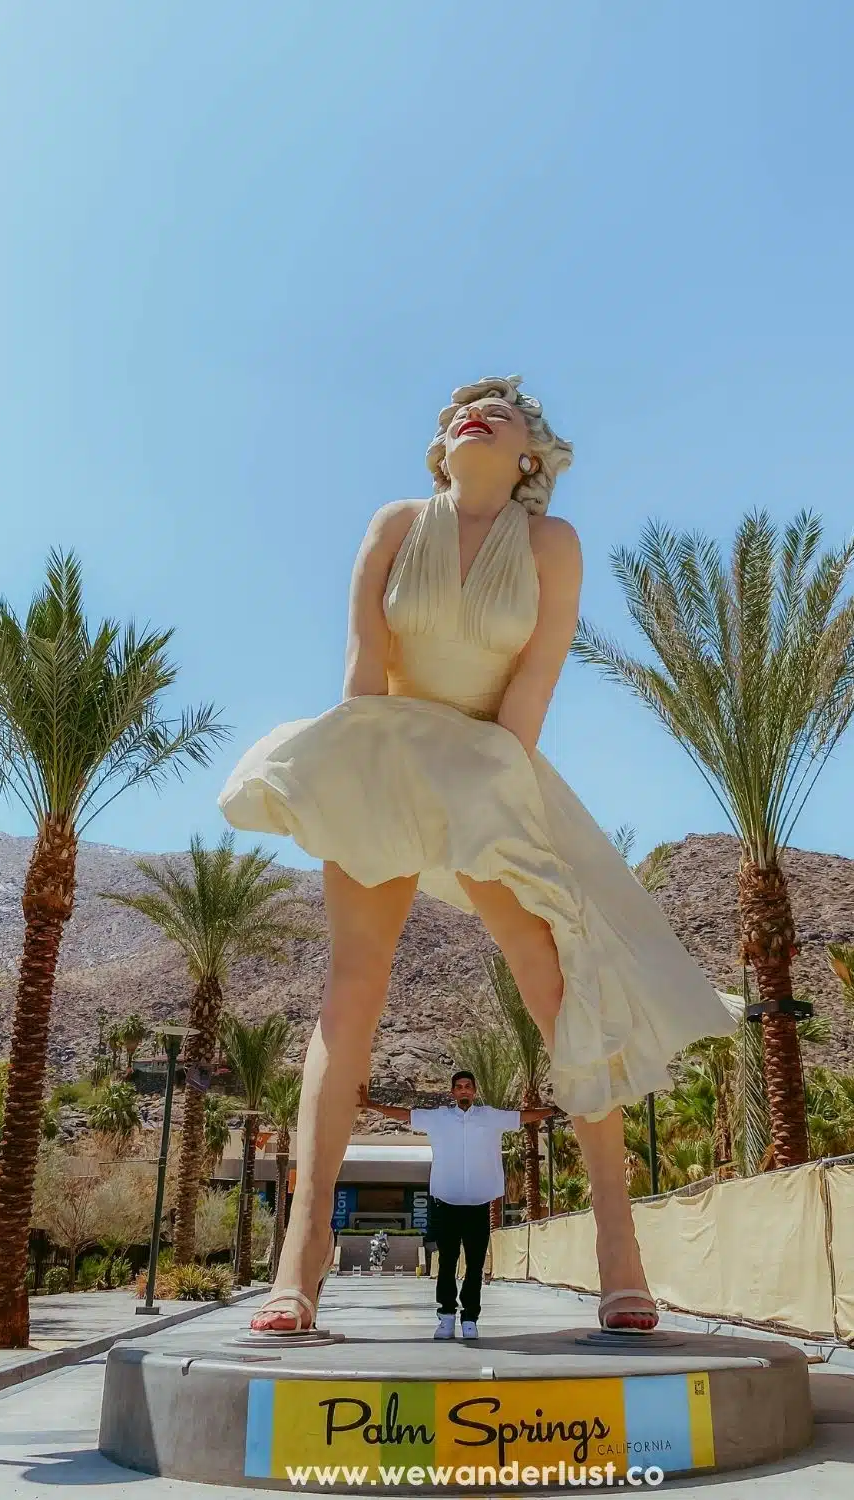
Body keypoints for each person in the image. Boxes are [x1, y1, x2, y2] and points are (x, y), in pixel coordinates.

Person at [219, 375, 734, 1338]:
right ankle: (303, 1259)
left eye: (501, 408)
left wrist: (493, 796)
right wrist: (355, 780)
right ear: (440, 444)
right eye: (462, 406)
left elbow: (534, 679)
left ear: (530, 451)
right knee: (352, 987)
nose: (474, 412)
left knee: (554, 981)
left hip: (494, 762)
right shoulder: (395, 522)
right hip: (385, 746)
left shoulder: (552, 545)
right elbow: (363, 672)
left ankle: (620, 1247)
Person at [358, 1072, 555, 1339]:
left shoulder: (491, 1117)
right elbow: (406, 1115)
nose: (463, 1091)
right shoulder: (438, 1118)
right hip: (445, 1204)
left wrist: (555, 1109)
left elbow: (523, 1116)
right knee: (448, 1263)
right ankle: (447, 1317)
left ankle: (470, 1319)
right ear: (452, 1092)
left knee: (475, 1266)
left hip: (478, 1205)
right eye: (459, 1087)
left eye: (468, 1087)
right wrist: (373, 1106)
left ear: (474, 1091)